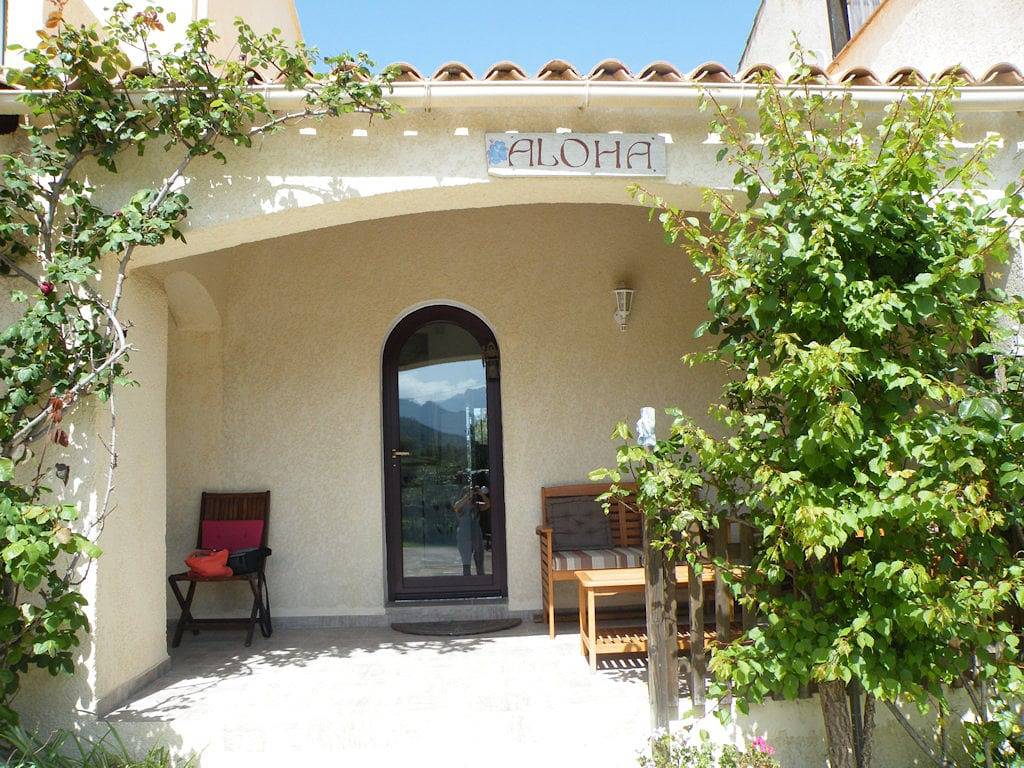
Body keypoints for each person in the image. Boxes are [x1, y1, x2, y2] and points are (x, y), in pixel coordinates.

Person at [452, 483, 489, 576]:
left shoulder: (476, 505)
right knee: (466, 561)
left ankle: (481, 580)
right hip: (463, 535)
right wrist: (467, 496)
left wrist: (481, 494)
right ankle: (467, 581)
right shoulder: (460, 504)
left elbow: (487, 505)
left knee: (479, 559)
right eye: (467, 492)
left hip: (476, 534)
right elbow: (456, 507)